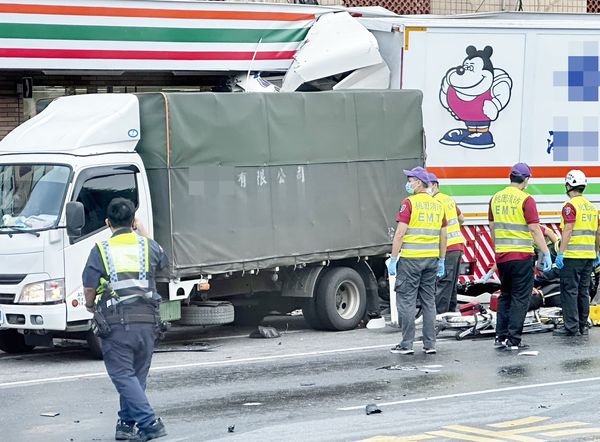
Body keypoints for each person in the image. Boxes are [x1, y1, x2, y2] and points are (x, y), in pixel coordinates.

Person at [83, 198, 169, 441]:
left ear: (107, 222)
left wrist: (90, 306)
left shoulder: (101, 250)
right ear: (133, 221)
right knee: (135, 377)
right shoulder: (147, 247)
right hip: (148, 324)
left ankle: (149, 422)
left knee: (122, 375)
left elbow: (89, 287)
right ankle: (125, 424)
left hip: (118, 325)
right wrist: (142, 231)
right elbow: (164, 263)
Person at [489, 163, 552, 351]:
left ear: (510, 177)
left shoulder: (495, 198)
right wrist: (546, 252)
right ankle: (514, 339)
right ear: (526, 179)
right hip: (522, 256)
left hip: (503, 257)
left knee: (505, 295)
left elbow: (493, 228)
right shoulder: (526, 199)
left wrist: (497, 251)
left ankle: (500, 336)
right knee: (520, 298)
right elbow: (534, 228)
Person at [388, 167, 447, 355]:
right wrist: (442, 259)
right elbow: (443, 235)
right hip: (431, 260)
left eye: (411, 180)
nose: (409, 183)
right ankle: (430, 345)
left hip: (411, 260)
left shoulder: (409, 203)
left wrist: (393, 258)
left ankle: (406, 344)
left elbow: (399, 234)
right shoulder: (438, 204)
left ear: (419, 183)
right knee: (429, 302)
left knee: (406, 301)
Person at [553, 170, 600, 336]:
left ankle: (571, 327)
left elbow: (568, 229)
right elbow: (598, 232)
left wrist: (561, 252)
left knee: (569, 291)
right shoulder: (592, 207)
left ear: (568, 185)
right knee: (583, 290)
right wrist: (596, 252)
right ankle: (583, 325)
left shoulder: (570, 206)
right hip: (588, 256)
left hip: (573, 256)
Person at [428, 172, 466, 313]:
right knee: (451, 284)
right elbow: (461, 219)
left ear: (435, 186)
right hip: (458, 246)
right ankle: (450, 313)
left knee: (444, 283)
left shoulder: (435, 202)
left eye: (429, 185)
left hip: (448, 247)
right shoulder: (448, 199)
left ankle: (440, 316)